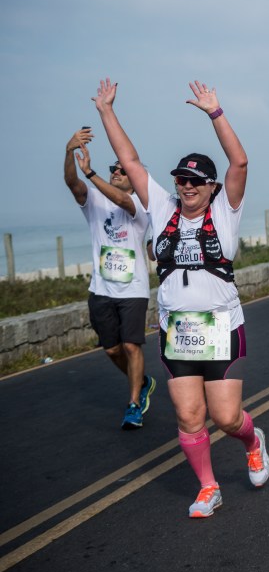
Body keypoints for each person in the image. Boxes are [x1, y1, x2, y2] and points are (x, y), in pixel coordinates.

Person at [94, 78, 269, 519]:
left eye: (196, 181)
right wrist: (107, 111)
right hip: (178, 331)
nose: (187, 186)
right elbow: (130, 161)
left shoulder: (224, 210)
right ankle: (208, 487)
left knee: (226, 418)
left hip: (221, 327)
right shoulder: (160, 207)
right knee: (190, 417)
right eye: (181, 179)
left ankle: (253, 442)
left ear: (211, 186)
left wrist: (216, 113)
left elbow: (240, 161)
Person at [64, 127, 155, 430]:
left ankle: (133, 405)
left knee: (131, 346)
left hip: (133, 288)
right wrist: (68, 153)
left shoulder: (141, 204)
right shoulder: (93, 200)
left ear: (133, 178)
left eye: (122, 169)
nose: (116, 171)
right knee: (112, 349)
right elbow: (71, 183)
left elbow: (123, 202)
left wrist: (92, 175)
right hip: (101, 288)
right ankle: (141, 381)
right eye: (113, 168)